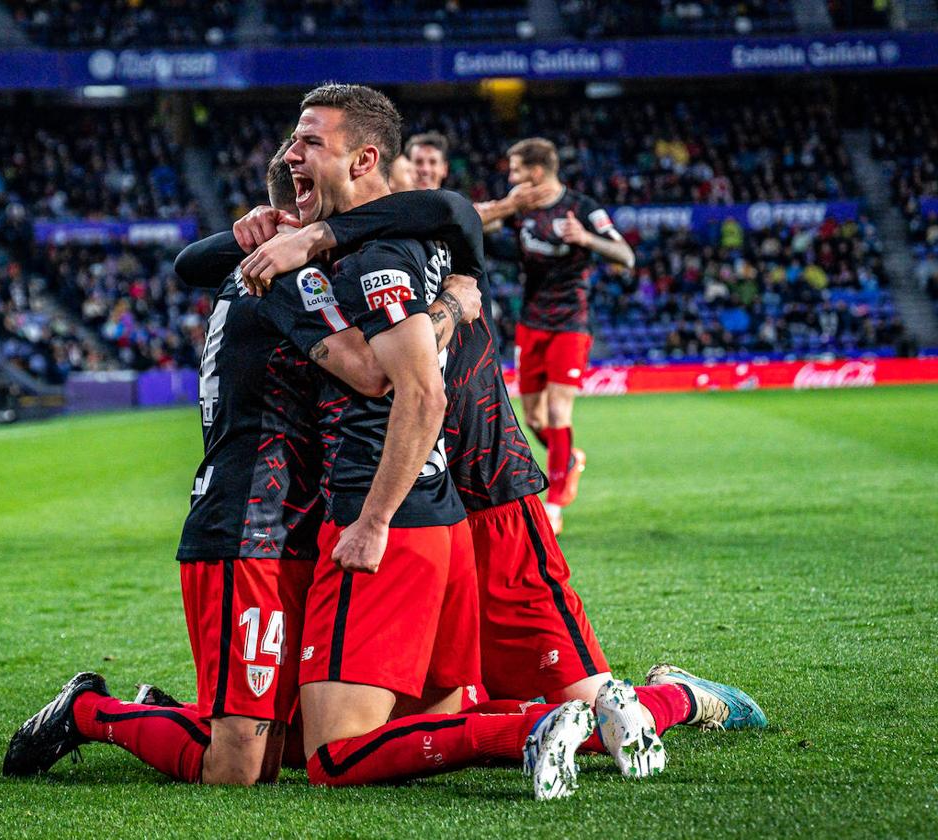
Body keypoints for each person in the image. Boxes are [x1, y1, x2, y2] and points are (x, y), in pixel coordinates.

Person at [239, 128, 766, 777]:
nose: (425, 177)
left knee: (589, 703)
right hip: (435, 512)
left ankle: (681, 697)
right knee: (416, 719)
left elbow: (452, 213)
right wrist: (271, 230)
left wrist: (312, 237)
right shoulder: (355, 266)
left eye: (431, 167)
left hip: (493, 496)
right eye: (417, 165)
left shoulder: (435, 244)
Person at [2, 140, 484, 788]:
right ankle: (89, 712)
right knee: (238, 766)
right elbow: (375, 376)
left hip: (291, 518)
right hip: (247, 523)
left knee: (289, 736)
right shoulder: (291, 278)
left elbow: (190, 262)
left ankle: (170, 714)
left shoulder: (274, 265)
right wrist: (447, 308)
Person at [476, 138, 636, 534]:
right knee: (532, 416)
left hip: (570, 321)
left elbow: (626, 256)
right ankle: (570, 459)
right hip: (532, 321)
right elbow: (478, 225)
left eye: (515, 170)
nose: (510, 178)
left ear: (535, 170)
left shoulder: (583, 209)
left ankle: (555, 506)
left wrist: (586, 239)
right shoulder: (522, 208)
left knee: (559, 412)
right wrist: (507, 207)